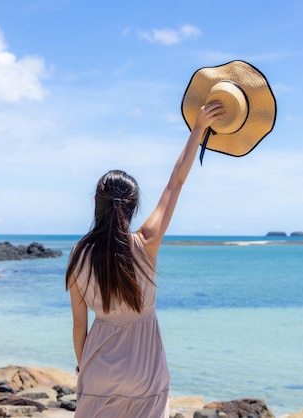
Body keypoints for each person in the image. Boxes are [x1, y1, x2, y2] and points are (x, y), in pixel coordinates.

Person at [65, 101, 224, 418]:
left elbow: (79, 325)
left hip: (99, 365)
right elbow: (175, 182)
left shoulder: (78, 253)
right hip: (144, 367)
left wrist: (85, 368)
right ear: (133, 206)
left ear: (97, 204)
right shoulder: (146, 242)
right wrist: (198, 129)